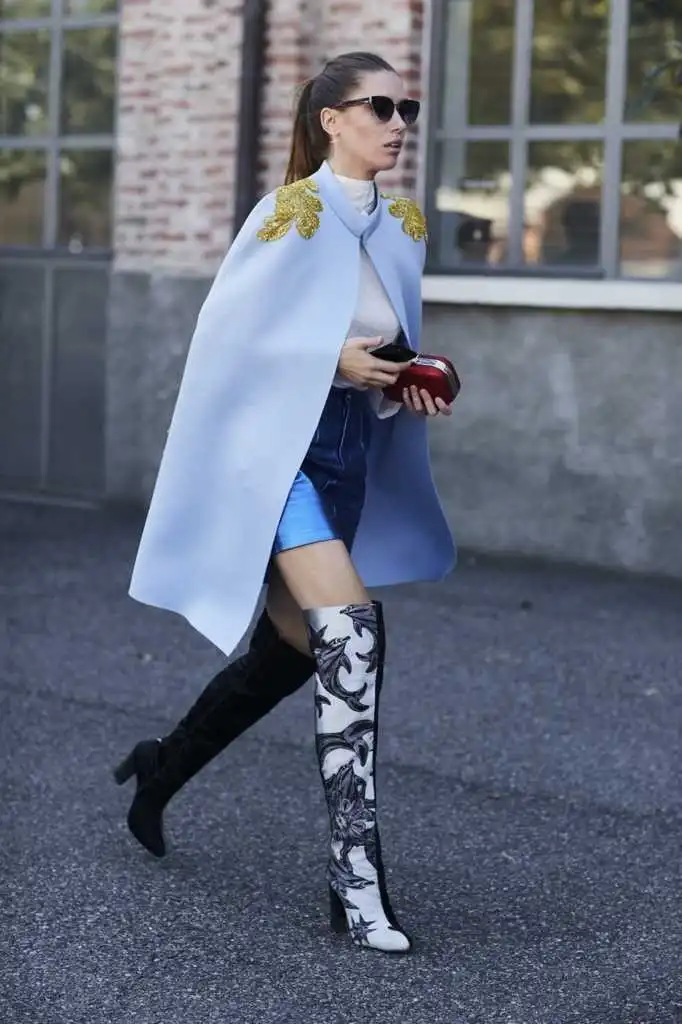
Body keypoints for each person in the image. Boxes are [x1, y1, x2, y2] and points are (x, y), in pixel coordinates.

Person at [114, 51, 456, 954]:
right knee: (353, 637)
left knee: (296, 649)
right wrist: (325, 358)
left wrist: (406, 379)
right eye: (379, 106)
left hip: (347, 454)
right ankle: (355, 882)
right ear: (331, 119)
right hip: (276, 454)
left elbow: (381, 345)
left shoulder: (402, 224)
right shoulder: (287, 212)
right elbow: (224, 345)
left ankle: (159, 770)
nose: (397, 123)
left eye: (407, 108)